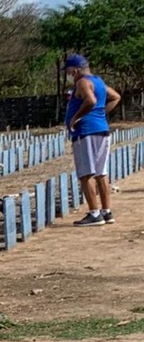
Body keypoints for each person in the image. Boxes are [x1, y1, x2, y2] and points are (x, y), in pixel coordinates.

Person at [63, 54, 121, 226]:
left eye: (68, 71)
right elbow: (115, 96)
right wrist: (101, 113)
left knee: (86, 173)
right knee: (101, 172)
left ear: (75, 70)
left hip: (86, 132)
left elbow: (90, 100)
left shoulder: (82, 82)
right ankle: (106, 211)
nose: (67, 75)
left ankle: (94, 213)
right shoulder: (98, 81)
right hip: (101, 129)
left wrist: (75, 118)